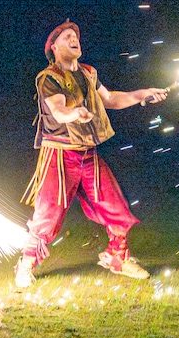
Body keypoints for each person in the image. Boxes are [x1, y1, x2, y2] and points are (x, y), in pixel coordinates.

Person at [15, 20, 167, 288]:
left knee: (116, 207)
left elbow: (110, 100)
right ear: (53, 47)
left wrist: (143, 94)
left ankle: (117, 258)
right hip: (59, 157)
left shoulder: (88, 73)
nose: (75, 39)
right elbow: (59, 110)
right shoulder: (48, 78)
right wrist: (75, 113)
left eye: (76, 36)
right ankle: (25, 265)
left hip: (88, 155)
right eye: (68, 37)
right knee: (48, 215)